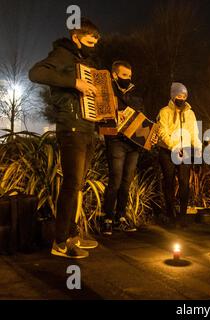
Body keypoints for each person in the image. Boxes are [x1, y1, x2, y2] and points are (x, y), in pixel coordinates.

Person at [29, 18, 100, 259]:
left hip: (86, 127)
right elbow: (35, 73)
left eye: (96, 42)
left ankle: (71, 234)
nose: (93, 45)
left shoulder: (84, 61)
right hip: (70, 127)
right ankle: (59, 242)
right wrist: (74, 82)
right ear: (76, 37)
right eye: (90, 40)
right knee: (71, 184)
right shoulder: (62, 54)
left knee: (77, 184)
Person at [102, 61, 144, 235]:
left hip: (134, 144)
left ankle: (121, 217)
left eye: (130, 76)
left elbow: (142, 117)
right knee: (115, 181)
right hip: (116, 141)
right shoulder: (106, 91)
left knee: (126, 182)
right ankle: (107, 218)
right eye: (124, 75)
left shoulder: (137, 93)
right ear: (114, 75)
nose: (128, 78)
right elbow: (102, 116)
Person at [157, 83, 202, 228]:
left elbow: (194, 132)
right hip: (168, 150)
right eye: (179, 95)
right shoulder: (164, 112)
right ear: (173, 96)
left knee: (184, 182)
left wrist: (198, 146)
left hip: (186, 150)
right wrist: (173, 146)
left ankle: (183, 214)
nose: (181, 98)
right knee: (168, 181)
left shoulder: (190, 113)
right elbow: (162, 132)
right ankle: (170, 213)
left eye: (184, 96)